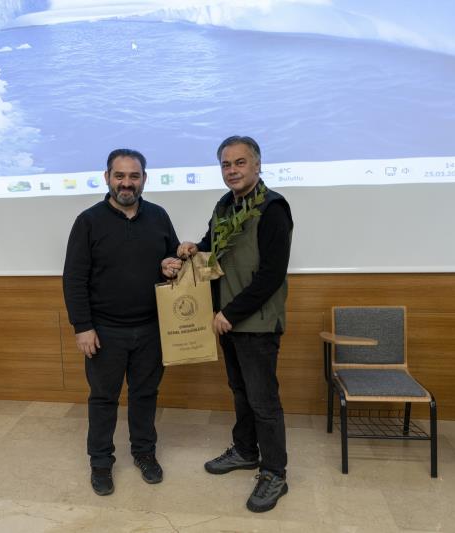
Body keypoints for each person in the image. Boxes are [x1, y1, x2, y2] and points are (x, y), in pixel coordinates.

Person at [173, 135, 293, 513]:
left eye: (240, 163)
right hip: (226, 321)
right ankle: (245, 450)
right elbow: (213, 247)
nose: (232, 170)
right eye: (226, 164)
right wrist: (192, 249)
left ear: (257, 165)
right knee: (241, 392)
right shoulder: (225, 205)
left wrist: (230, 313)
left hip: (255, 323)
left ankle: (274, 472)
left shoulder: (273, 208)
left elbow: (272, 274)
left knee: (263, 401)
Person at [63, 148, 181, 496]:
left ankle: (144, 453)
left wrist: (171, 265)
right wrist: (82, 327)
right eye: (120, 176)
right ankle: (101, 462)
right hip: (104, 331)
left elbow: (173, 259)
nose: (126, 183)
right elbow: (74, 278)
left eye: (133, 176)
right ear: (107, 178)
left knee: (145, 395)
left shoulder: (159, 216)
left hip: (151, 329)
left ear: (144, 179)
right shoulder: (88, 221)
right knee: (103, 399)